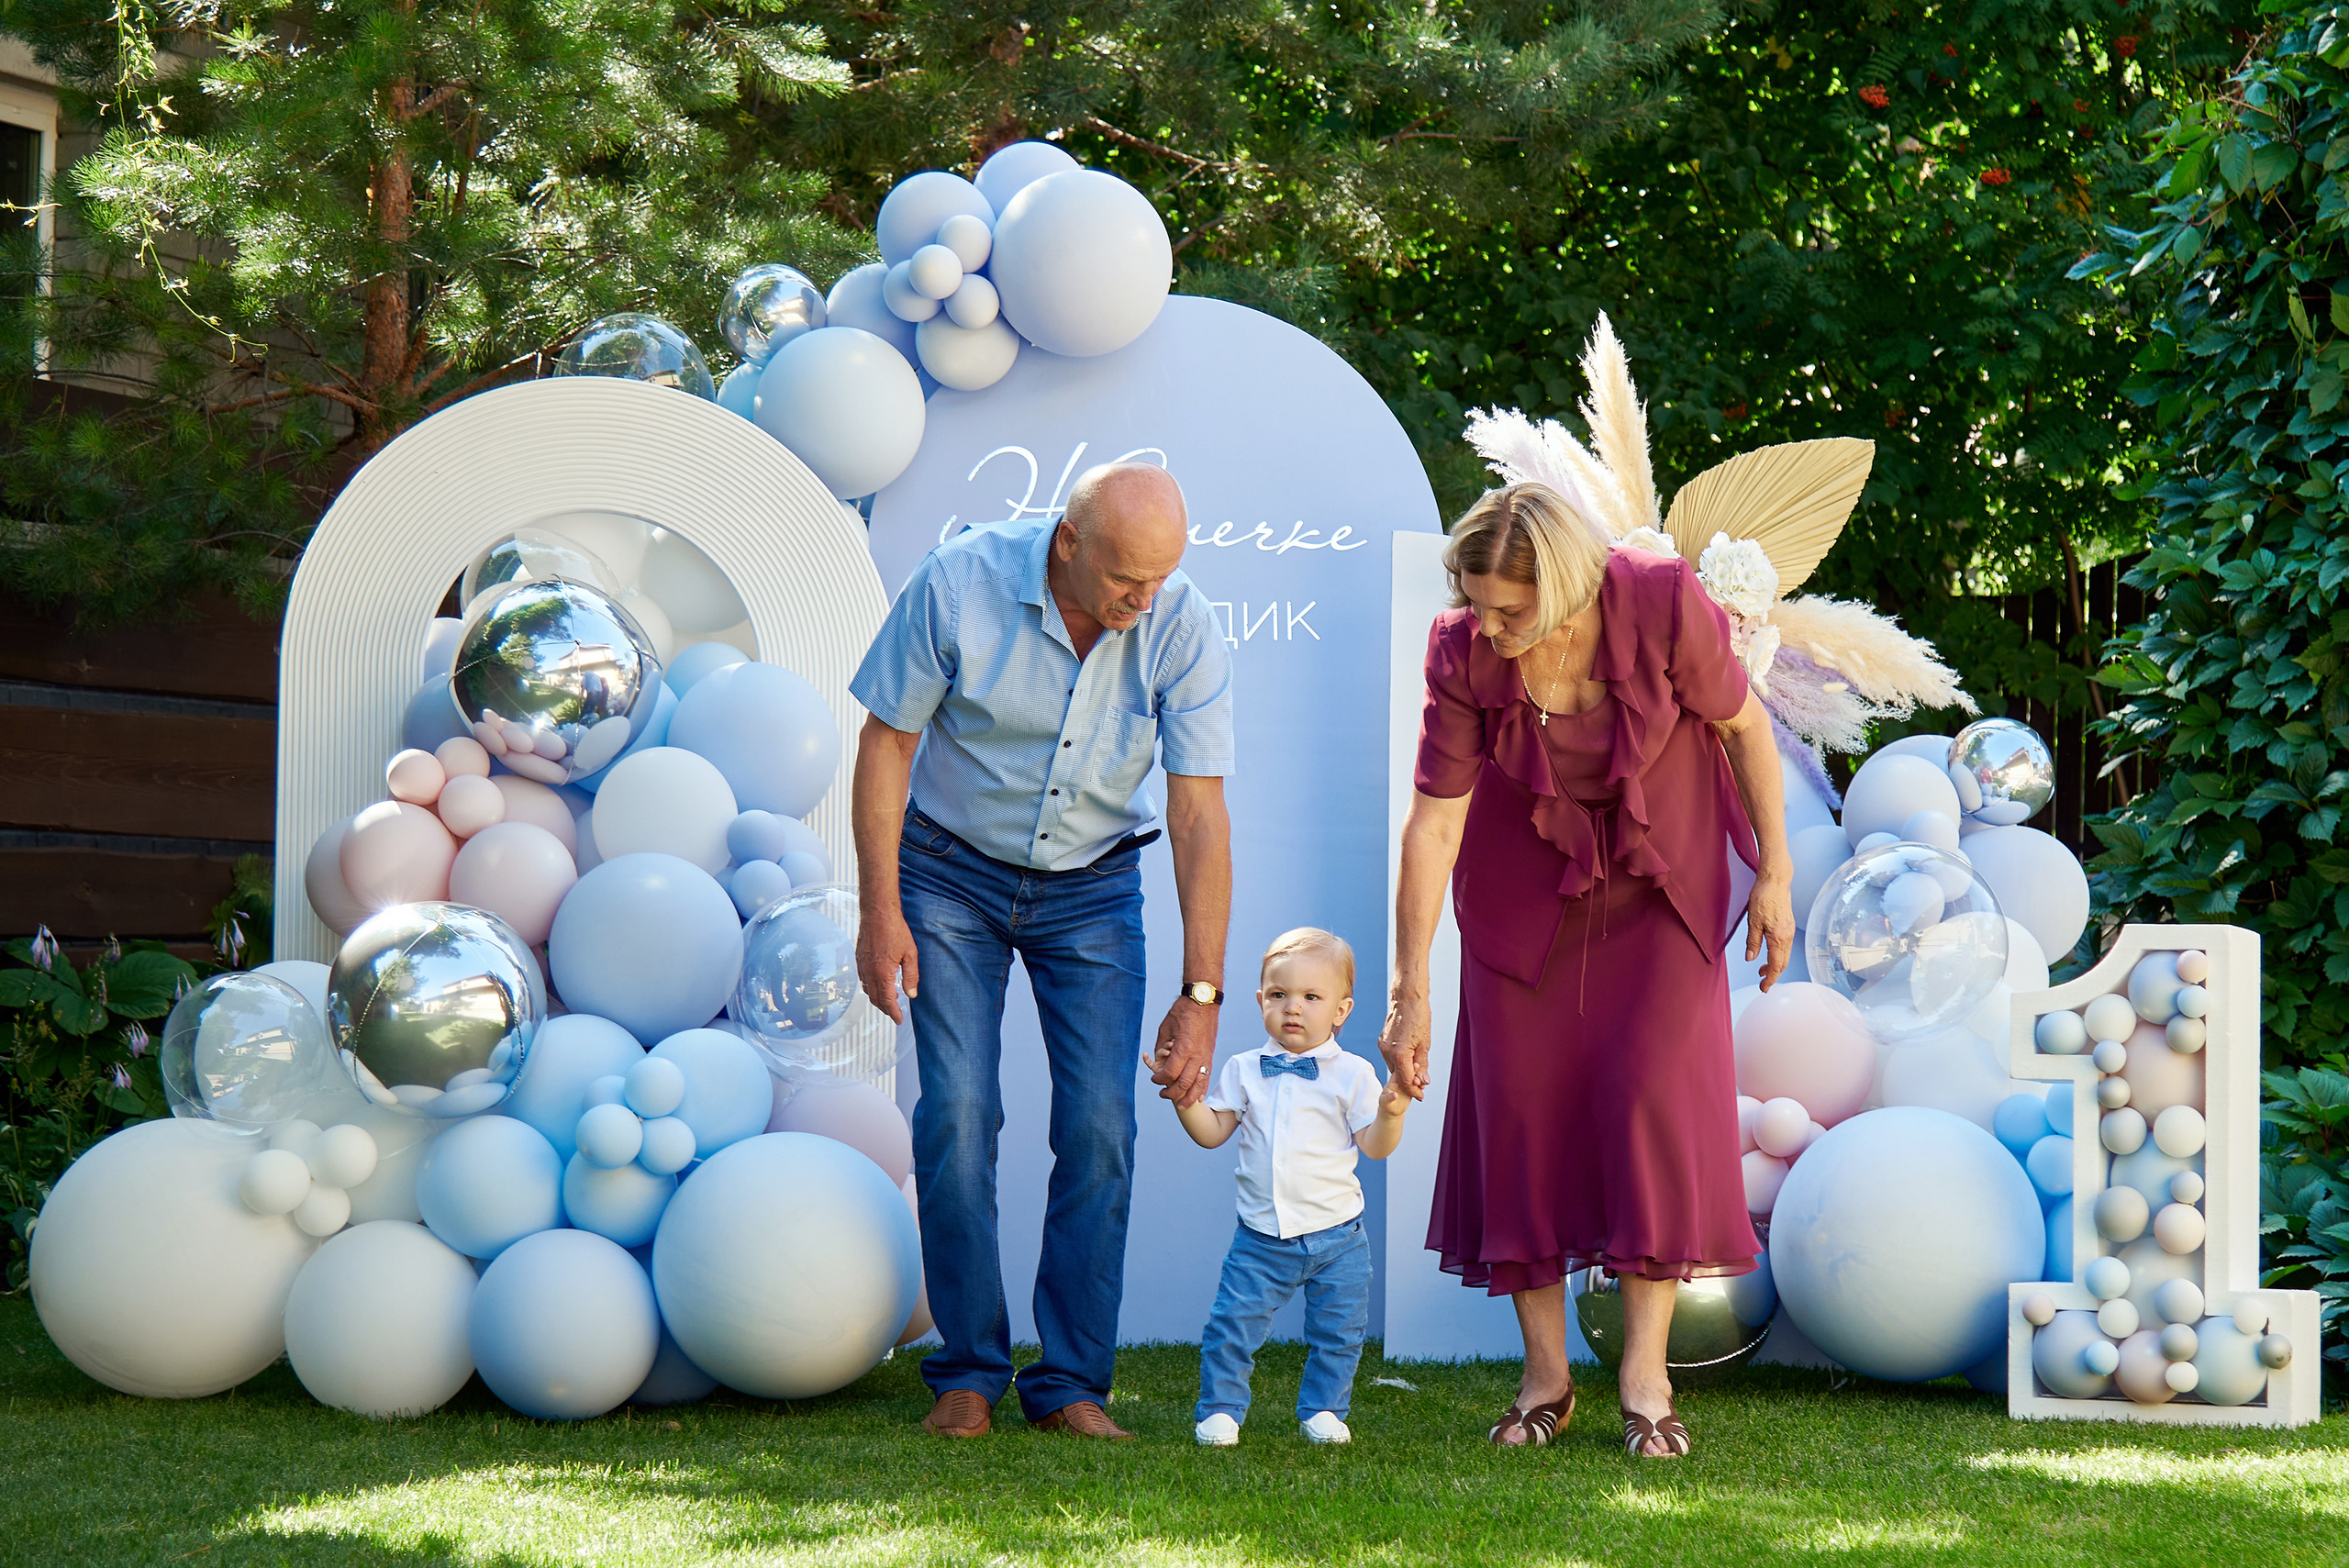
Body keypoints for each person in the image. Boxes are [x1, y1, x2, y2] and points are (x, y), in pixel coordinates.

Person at [1379, 481, 1795, 1459]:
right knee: (1521, 1111)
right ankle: (1545, 1375)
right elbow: (1435, 819)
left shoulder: (1656, 599)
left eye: (1508, 607)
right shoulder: (1463, 650)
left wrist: (1775, 868)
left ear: (1564, 582)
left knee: (1650, 1106)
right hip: (1524, 896)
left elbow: (1743, 728)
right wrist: (1411, 989)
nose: (1487, 622)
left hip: (1660, 887)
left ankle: (1644, 1377)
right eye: (1474, 600)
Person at [849, 462, 1236, 1441]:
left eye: (1158, 581)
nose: (1142, 602)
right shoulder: (956, 581)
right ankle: (968, 1369)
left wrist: (1202, 991)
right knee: (959, 1113)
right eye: (1125, 580)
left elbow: (1196, 812)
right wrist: (879, 909)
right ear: (1068, 542)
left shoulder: (1177, 620)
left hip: (1095, 884)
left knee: (1103, 1124)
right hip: (948, 871)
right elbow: (886, 742)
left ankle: (1068, 1383)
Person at [1170, 928, 1406, 1449]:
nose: (1292, 1008)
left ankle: (1323, 1410)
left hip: (1338, 1237)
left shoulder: (1354, 1074)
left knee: (1338, 1335)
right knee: (1232, 1328)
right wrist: (1184, 1097)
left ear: (1341, 1010)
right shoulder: (1244, 1069)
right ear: (1260, 1001)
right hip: (1260, 1237)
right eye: (1279, 995)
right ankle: (1221, 1412)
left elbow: (1375, 1147)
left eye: (1311, 997)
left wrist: (1393, 1111)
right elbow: (1212, 1133)